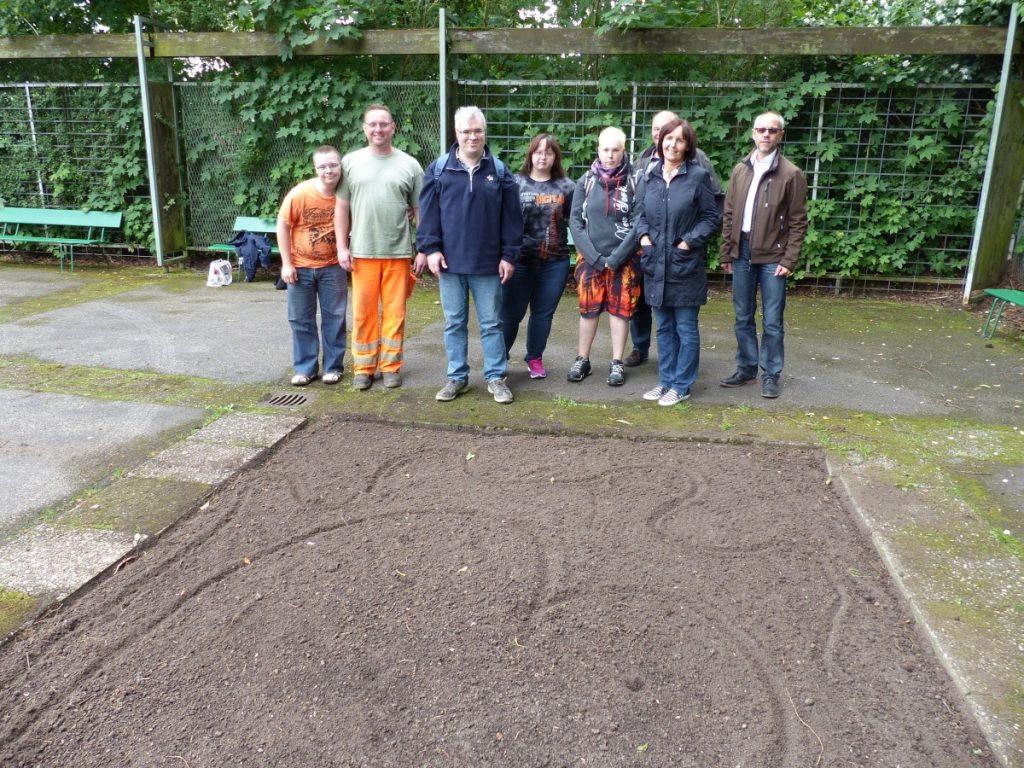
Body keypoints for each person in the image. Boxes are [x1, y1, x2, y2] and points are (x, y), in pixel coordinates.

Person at [417, 106, 523, 404]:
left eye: (477, 131)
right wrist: (432, 249)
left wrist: (509, 255)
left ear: (484, 132)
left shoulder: (500, 172)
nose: (472, 137)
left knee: (492, 324)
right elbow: (428, 215)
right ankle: (457, 378)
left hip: (489, 265)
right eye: (466, 131)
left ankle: (496, 378)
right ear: (456, 133)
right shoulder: (439, 170)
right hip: (450, 265)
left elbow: (513, 220)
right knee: (454, 323)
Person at [335, 104, 425, 391]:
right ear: (364, 128)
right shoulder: (350, 163)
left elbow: (420, 210)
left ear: (393, 127)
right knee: (363, 313)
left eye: (383, 124)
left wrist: (422, 248)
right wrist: (341, 246)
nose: (378, 129)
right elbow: (341, 208)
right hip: (362, 252)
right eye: (372, 124)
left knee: (395, 313)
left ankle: (391, 367)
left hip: (398, 253)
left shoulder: (410, 165)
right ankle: (363, 367)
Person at [719, 111, 808, 399]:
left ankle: (770, 374)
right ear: (753, 133)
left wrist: (788, 260)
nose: (766, 134)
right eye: (761, 129)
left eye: (772, 130)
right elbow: (729, 213)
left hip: (773, 257)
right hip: (741, 251)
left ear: (780, 135)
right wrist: (726, 252)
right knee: (742, 315)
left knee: (772, 319)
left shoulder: (791, 174)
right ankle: (746, 369)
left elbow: (798, 221)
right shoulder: (740, 170)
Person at [626, 110, 724, 369]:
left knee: (686, 328)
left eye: (679, 140)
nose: (671, 144)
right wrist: (644, 238)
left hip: (685, 264)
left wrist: (688, 242)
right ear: (659, 141)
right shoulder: (649, 174)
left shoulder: (698, 176)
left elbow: (710, 217)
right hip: (655, 262)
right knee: (664, 327)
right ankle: (667, 379)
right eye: (667, 138)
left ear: (688, 145)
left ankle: (681, 383)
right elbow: (639, 214)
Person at [567, 126, 640, 388]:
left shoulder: (634, 181)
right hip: (590, 260)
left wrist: (618, 257)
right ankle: (582, 359)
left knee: (620, 312)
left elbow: (639, 222)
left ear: (623, 151)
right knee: (588, 311)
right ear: (598, 149)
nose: (610, 155)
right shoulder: (585, 181)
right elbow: (575, 222)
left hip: (624, 260)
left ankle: (617, 362)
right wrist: (595, 258)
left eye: (616, 150)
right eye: (606, 149)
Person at [501, 132, 575, 379]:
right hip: (519, 262)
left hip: (555, 263)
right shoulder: (514, 184)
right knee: (511, 314)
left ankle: (534, 358)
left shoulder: (567, 187)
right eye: (539, 151)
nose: (543, 156)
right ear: (531, 154)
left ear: (556, 157)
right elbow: (500, 221)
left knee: (543, 314)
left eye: (549, 152)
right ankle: (499, 359)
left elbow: (578, 222)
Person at [277, 145, 346, 387]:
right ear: (315, 168)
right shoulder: (301, 193)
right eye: (323, 166)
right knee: (300, 319)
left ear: (340, 165)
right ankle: (305, 368)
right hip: (300, 267)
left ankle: (333, 367)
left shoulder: (346, 193)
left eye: (333, 165)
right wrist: (286, 264)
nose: (329, 170)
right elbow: (283, 226)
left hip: (333, 267)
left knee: (335, 318)